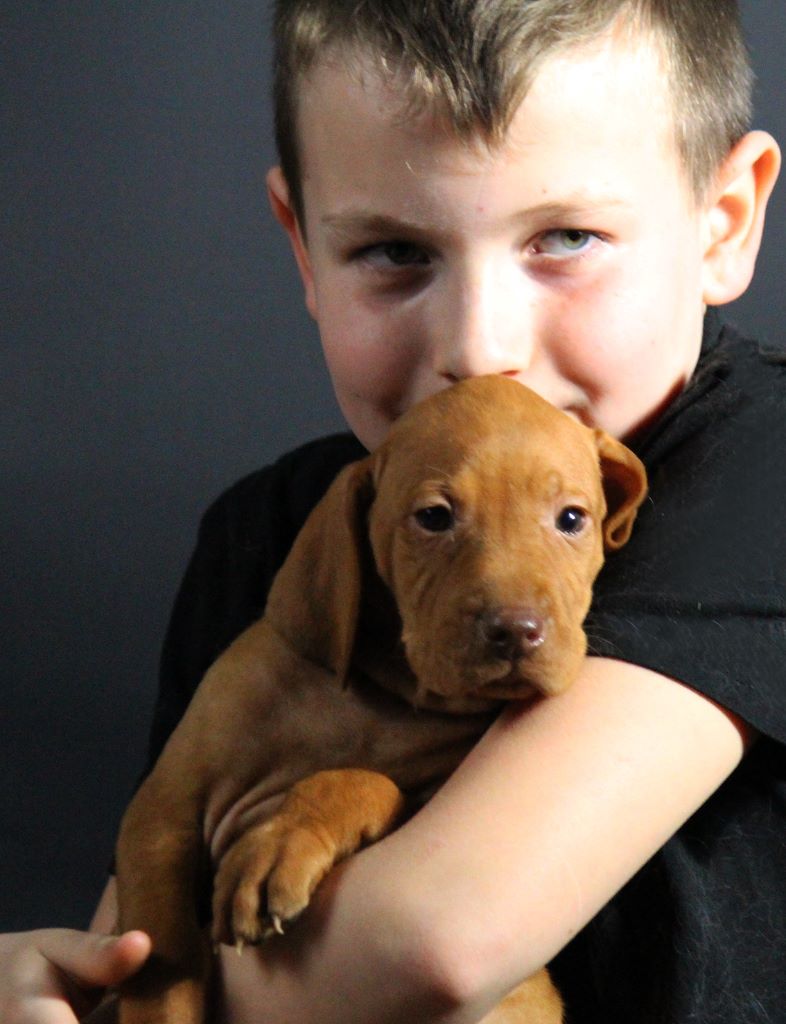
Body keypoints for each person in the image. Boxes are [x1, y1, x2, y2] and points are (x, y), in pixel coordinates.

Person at [2, 0, 784, 1021]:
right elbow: (143, 919)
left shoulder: (761, 479)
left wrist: (148, 997)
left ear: (724, 221)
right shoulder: (268, 533)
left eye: (567, 237)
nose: (481, 345)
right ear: (303, 247)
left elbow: (434, 940)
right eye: (395, 252)